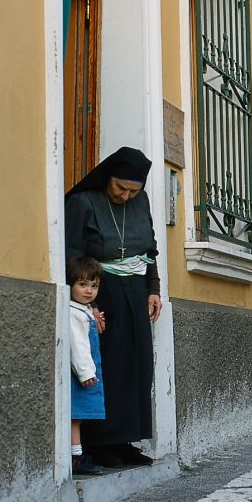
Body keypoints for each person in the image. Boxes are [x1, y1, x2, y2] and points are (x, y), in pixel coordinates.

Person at [65, 147, 161, 467]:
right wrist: (83, 301)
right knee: (108, 366)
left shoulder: (140, 202)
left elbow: (150, 249)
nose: (125, 195)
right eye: (120, 187)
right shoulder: (83, 202)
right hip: (99, 292)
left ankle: (125, 440)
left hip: (135, 292)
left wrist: (153, 290)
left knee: (137, 366)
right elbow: (72, 253)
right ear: (109, 178)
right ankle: (100, 442)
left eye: (133, 190)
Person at [67, 256, 107, 475]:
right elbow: (78, 346)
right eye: (82, 284)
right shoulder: (74, 314)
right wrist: (85, 372)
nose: (89, 291)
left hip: (86, 371)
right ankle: (76, 457)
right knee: (76, 415)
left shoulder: (83, 311)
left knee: (79, 416)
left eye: (94, 286)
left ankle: (77, 454)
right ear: (71, 284)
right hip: (81, 373)